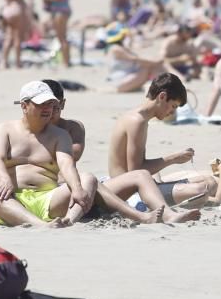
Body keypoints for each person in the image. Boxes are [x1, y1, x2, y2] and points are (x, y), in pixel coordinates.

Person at [39, 79, 189, 224]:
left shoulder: (73, 128)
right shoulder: (29, 133)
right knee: (93, 180)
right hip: (55, 193)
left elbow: (72, 155)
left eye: (55, 107)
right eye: (44, 108)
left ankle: (169, 215)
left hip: (76, 188)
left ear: (63, 104)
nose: (50, 112)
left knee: (140, 175)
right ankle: (141, 214)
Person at [0, 81, 95, 227]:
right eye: (41, 104)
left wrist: (76, 189)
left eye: (50, 104)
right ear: (24, 105)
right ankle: (42, 225)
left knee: (87, 179)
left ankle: (68, 221)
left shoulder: (60, 135)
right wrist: (4, 179)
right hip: (12, 200)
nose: (47, 109)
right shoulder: (4, 129)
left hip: (49, 199)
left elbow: (66, 164)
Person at [104, 73, 205, 214]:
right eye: (173, 106)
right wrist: (173, 159)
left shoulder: (136, 117)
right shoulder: (137, 122)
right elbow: (136, 172)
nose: (172, 112)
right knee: (201, 190)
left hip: (126, 184)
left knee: (206, 181)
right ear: (162, 97)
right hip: (127, 191)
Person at [0, 0, 32, 69]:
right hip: (16, 8)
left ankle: (4, 61)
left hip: (7, 9)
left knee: (8, 37)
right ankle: (18, 62)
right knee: (17, 37)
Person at [44, 0, 74, 68]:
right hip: (59, 10)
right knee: (61, 37)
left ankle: (66, 62)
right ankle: (66, 61)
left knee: (62, 37)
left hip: (61, 10)